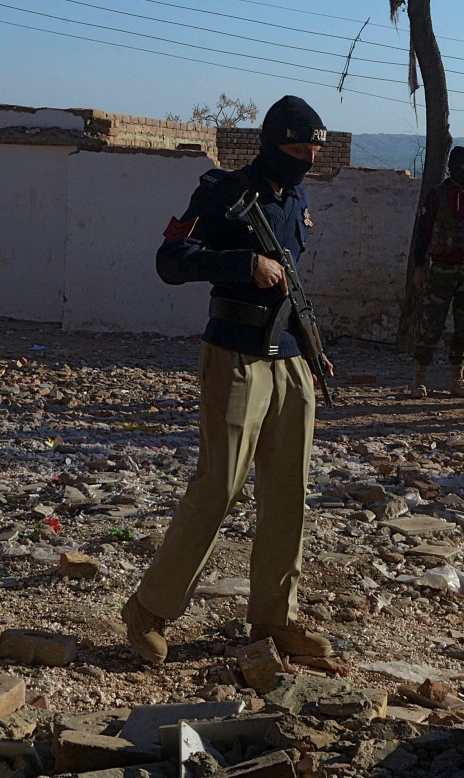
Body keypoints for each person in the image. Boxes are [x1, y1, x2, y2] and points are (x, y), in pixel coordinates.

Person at [121, 96, 336, 665]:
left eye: (313, 151)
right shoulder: (222, 192)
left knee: (288, 492)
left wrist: (313, 350)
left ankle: (274, 619)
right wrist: (241, 264)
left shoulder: (298, 200)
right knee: (219, 486)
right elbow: (171, 259)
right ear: (271, 143)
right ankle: (148, 609)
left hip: (288, 355)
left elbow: (292, 283)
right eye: (296, 149)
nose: (305, 160)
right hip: (235, 352)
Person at [407, 145, 464, 398]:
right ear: (454, 167)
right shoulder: (437, 195)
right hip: (442, 270)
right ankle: (419, 378)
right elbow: (423, 232)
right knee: (431, 325)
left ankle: (457, 378)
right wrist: (418, 267)